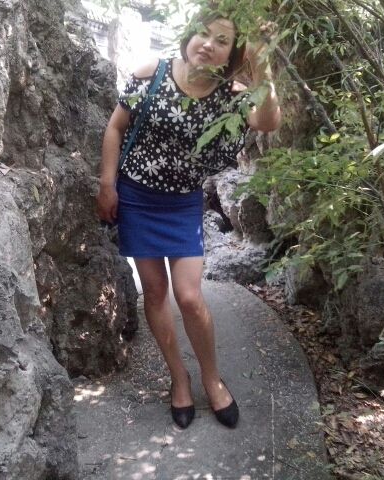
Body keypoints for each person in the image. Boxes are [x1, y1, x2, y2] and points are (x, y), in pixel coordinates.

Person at [96, 10, 281, 429]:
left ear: (233, 54)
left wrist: (263, 62)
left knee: (190, 297)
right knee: (155, 291)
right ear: (189, 34)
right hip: (137, 198)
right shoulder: (153, 73)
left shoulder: (233, 96)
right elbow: (115, 128)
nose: (208, 44)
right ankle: (178, 378)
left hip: (182, 205)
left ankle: (211, 378)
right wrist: (107, 185)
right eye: (203, 33)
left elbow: (269, 121)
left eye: (222, 40)